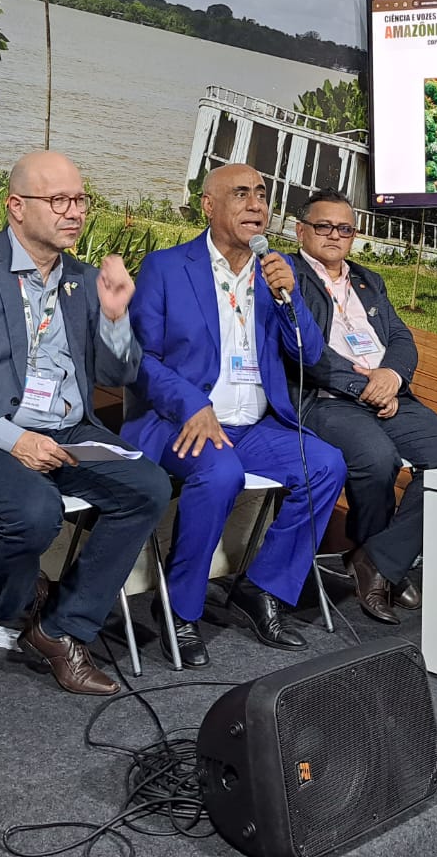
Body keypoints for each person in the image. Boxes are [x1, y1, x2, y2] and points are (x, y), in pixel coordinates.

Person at [0, 151, 170, 696]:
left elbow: (118, 373)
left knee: (149, 488)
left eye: (80, 200)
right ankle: (13, 606)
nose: (75, 212)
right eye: (59, 200)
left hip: (67, 430)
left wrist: (116, 318)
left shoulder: (83, 281)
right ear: (16, 207)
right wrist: (15, 439)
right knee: (36, 510)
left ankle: (60, 628)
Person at [123, 164, 347, 667]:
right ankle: (179, 608)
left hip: (255, 426)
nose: (256, 205)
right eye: (241, 194)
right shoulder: (166, 268)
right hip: (178, 421)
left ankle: (261, 587)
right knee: (221, 474)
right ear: (208, 205)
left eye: (262, 195)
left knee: (325, 465)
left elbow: (310, 353)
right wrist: (192, 405)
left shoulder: (276, 271)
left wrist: (291, 299)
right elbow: (140, 361)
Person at [291, 189, 437, 623]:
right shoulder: (288, 276)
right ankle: (383, 567)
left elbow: (400, 338)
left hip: (388, 393)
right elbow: (302, 349)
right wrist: (363, 386)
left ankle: (378, 560)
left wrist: (391, 377)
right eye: (323, 226)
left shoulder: (368, 279)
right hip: (325, 399)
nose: (334, 235)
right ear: (300, 230)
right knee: (378, 460)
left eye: (344, 229)